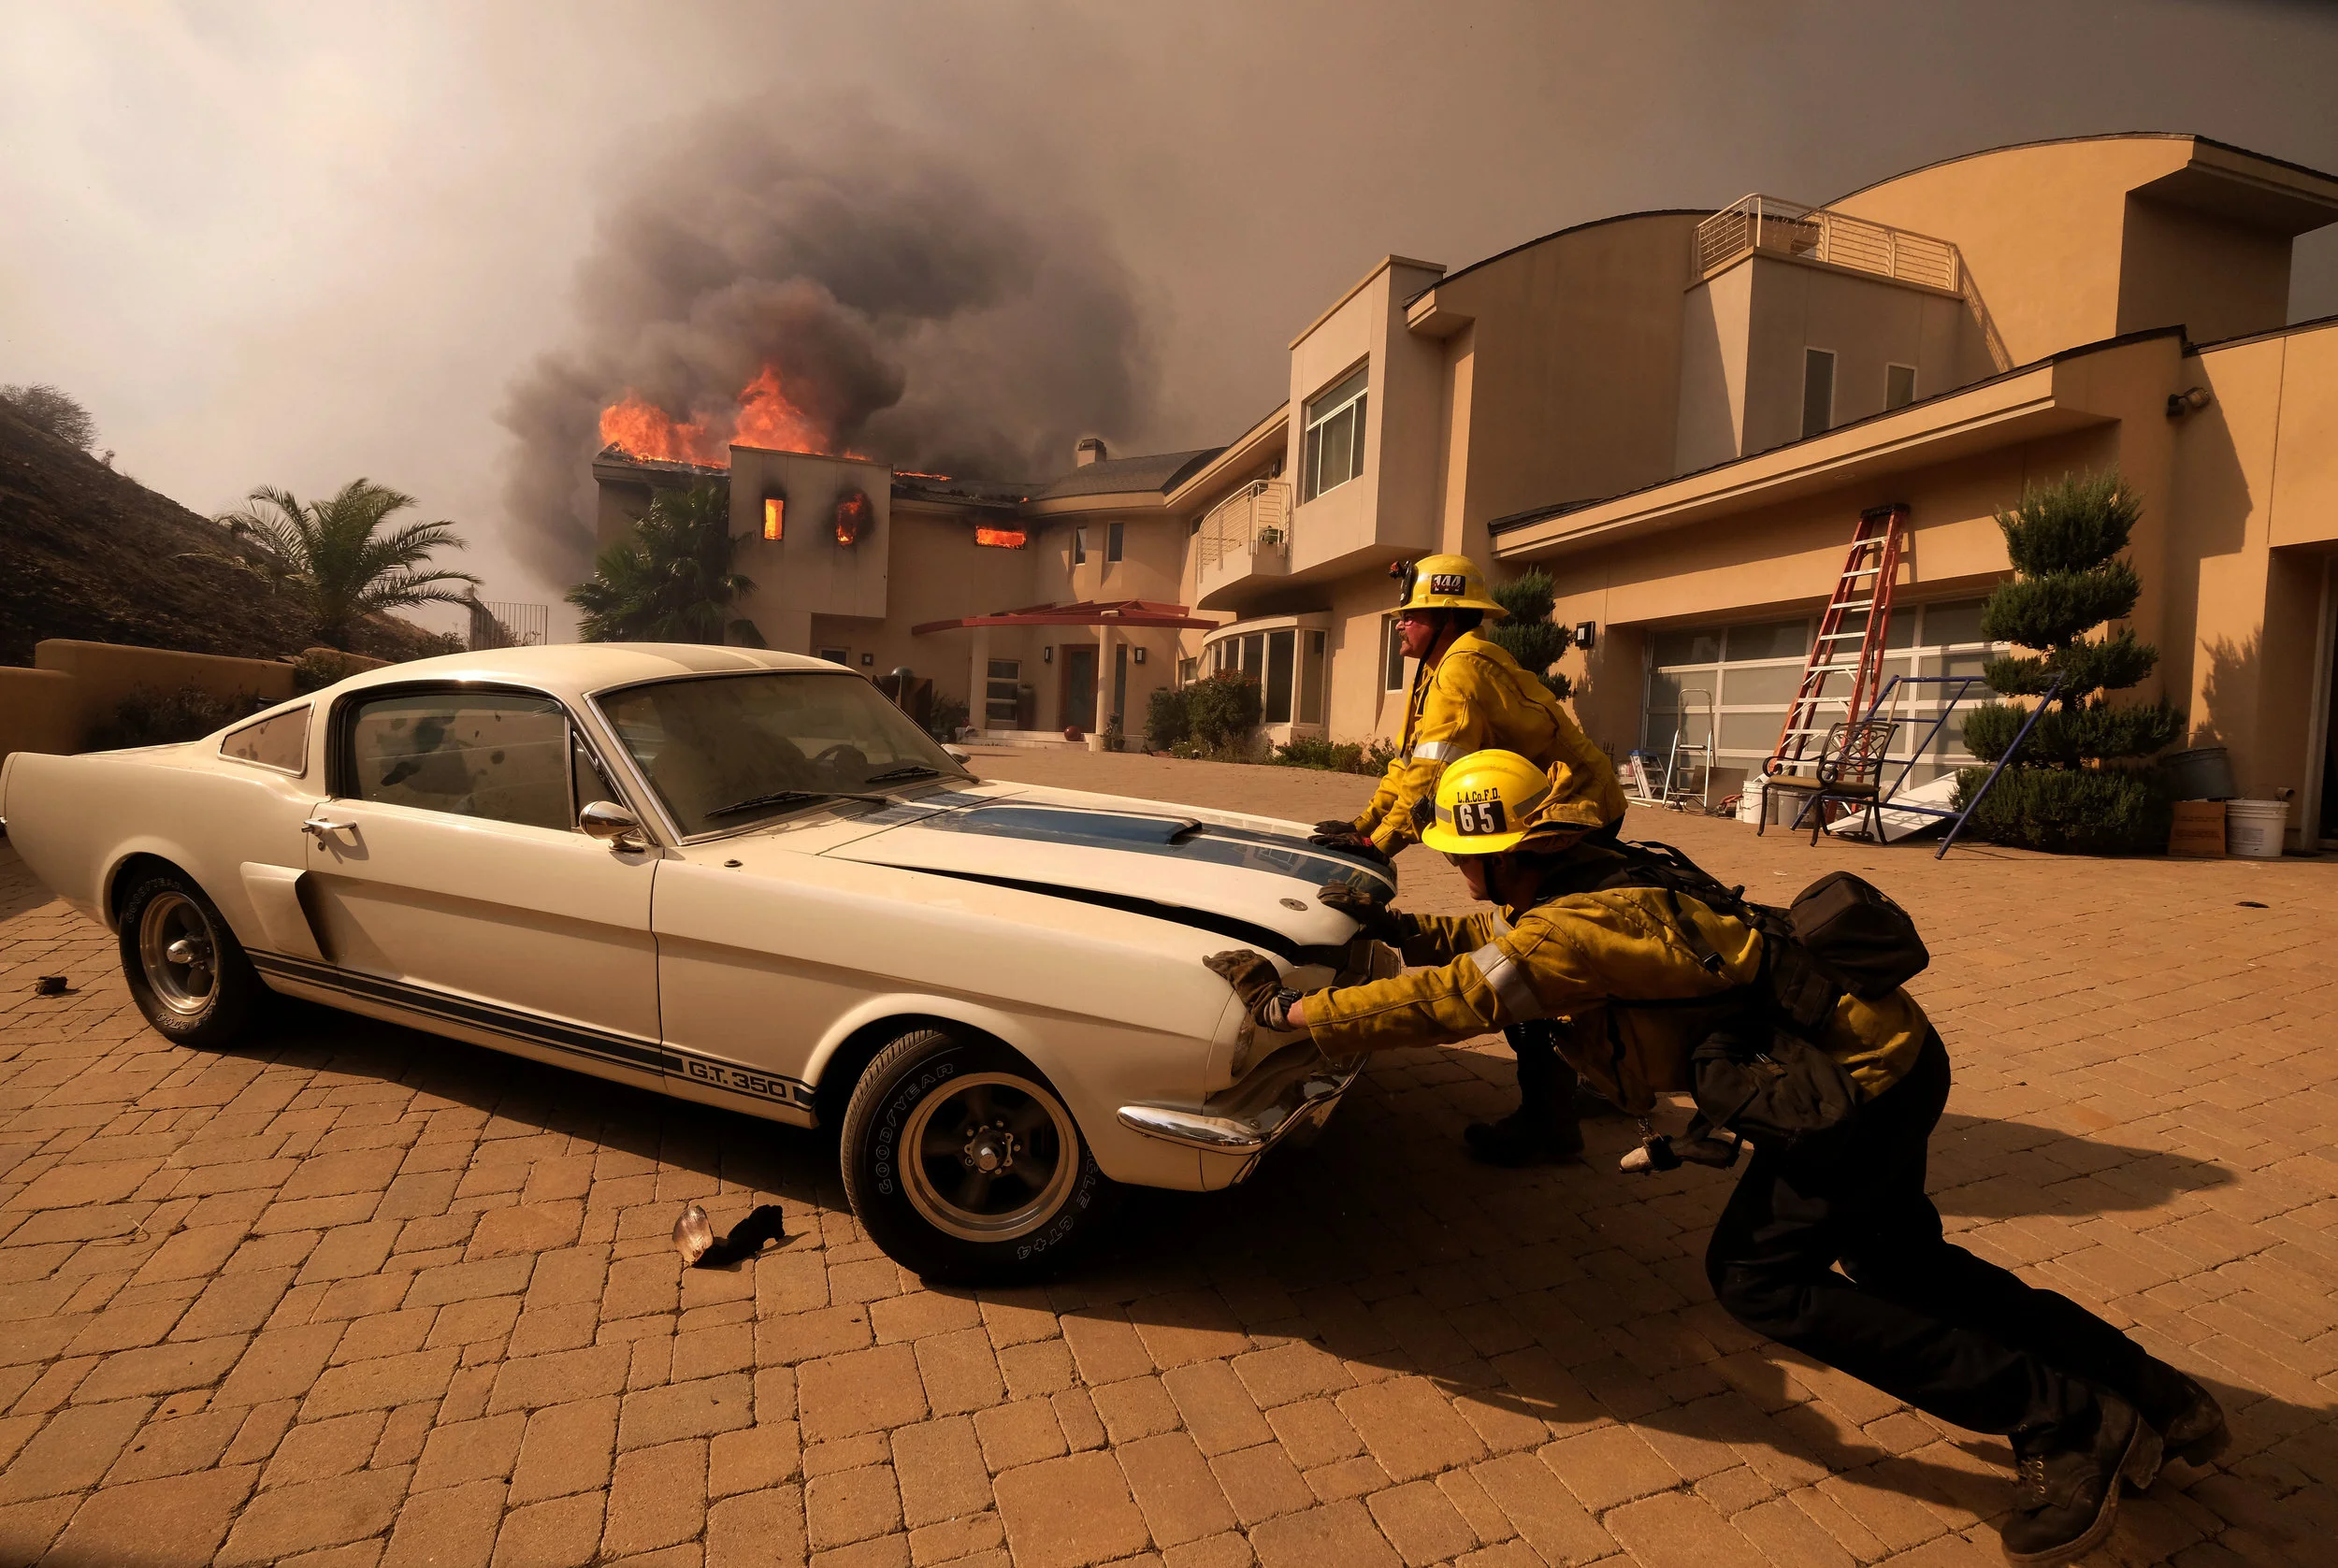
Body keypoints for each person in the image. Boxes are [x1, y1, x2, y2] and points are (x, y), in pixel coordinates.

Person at [1209, 749, 2229, 1568]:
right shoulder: (1600, 874)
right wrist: (1394, 926)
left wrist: (1301, 1013)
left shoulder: (1569, 932)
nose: (1461, 873)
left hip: (1855, 1095)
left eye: (1466, 858)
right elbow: (1491, 943)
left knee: (1758, 1281)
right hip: (1893, 1056)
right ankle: (2161, 1402)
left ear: (1512, 854)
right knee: (1904, 1265)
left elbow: (1464, 998)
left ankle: (2062, 1424)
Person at [1308, 554, 1627, 1168]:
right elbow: (1410, 763)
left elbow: (1430, 776)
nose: (1401, 625)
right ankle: (1606, 1076)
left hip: (1569, 817)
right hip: (1567, 806)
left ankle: (1549, 1123)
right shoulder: (1446, 666)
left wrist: (1381, 844)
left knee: (1526, 963)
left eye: (1414, 614)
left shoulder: (1459, 673)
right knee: (1562, 957)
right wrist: (1364, 823)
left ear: (1447, 615)